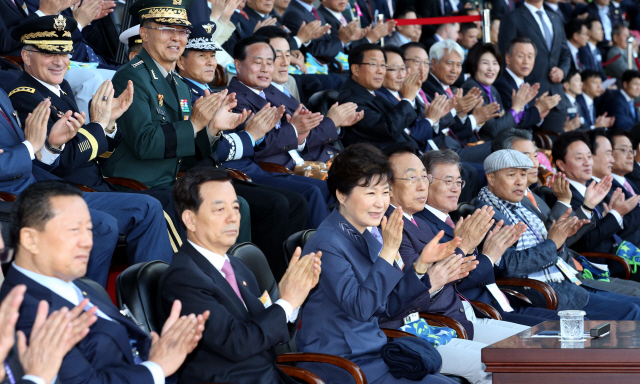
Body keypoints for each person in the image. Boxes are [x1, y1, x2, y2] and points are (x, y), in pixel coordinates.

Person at [0, 180, 209, 384]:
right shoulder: (26, 312)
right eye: (74, 230)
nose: (87, 241)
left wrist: (164, 347)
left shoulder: (80, 285)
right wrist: (158, 367)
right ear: (30, 240)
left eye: (89, 230)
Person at [296, 143, 455, 384]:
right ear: (341, 194)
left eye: (384, 192)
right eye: (370, 193)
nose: (381, 203)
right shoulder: (327, 243)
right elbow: (362, 307)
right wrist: (389, 250)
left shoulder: (364, 234)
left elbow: (388, 306)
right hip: (342, 364)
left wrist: (421, 265)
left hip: (373, 354)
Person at [157, 167, 321, 384]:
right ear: (190, 219)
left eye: (236, 207)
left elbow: (264, 332)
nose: (233, 217)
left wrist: (291, 299)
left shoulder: (237, 265)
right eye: (220, 210)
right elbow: (237, 343)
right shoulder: (183, 278)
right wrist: (287, 302)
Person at [384, 145, 531, 384]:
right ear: (388, 186)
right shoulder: (394, 226)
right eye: (413, 178)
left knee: (536, 346)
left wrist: (467, 249)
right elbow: (415, 292)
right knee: (505, 364)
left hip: (459, 316)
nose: (422, 185)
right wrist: (465, 248)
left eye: (424, 177)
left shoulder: (414, 220)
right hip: (432, 323)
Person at [175, 23, 309, 279]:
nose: (210, 62)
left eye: (212, 56)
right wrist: (251, 135)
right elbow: (210, 148)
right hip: (201, 174)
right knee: (277, 203)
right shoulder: (185, 94)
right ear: (181, 62)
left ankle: (286, 276)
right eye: (202, 56)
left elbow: (221, 144)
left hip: (221, 171)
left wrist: (249, 135)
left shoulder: (213, 93)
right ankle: (262, 280)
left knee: (296, 202)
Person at [472, 149, 640, 320]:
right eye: (511, 175)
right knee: (632, 311)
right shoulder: (487, 214)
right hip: (540, 293)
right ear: (491, 178)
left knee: (635, 306)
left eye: (523, 175)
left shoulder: (522, 205)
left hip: (563, 281)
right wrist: (553, 242)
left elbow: (548, 246)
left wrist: (559, 240)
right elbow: (511, 266)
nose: (519, 182)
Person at [105, 0, 248, 189]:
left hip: (172, 182)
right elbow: (144, 143)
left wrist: (212, 129)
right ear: (144, 33)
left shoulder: (180, 84)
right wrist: (194, 124)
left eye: (182, 31)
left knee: (244, 206)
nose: (176, 38)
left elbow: (189, 152)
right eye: (166, 29)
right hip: (138, 186)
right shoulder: (131, 76)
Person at [416, 149, 561, 325]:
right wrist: (488, 256)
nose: (456, 189)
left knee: (577, 324)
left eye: (459, 182)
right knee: (561, 331)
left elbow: (491, 271)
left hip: (503, 301)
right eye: (448, 181)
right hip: (480, 312)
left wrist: (494, 254)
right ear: (425, 183)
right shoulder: (422, 227)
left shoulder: (456, 219)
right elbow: (451, 284)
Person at [223, 35, 338, 228]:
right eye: (258, 62)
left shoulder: (270, 92)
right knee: (317, 189)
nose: (265, 69)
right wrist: (294, 130)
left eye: (270, 62)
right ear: (238, 65)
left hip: (302, 158)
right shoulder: (236, 99)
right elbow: (256, 144)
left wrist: (299, 135)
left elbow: (296, 132)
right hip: (267, 168)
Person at [251, 27, 363, 168]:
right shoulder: (260, 94)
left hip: (326, 158)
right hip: (306, 167)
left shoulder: (285, 85)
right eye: (278, 56)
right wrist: (332, 122)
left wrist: (337, 123)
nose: (286, 62)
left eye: (288, 55)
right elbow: (292, 140)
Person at [553, 131, 640, 257]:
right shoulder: (563, 196)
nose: (588, 163)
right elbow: (583, 243)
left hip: (621, 255)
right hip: (604, 265)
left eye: (589, 157)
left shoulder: (593, 188)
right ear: (561, 164)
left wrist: (610, 215)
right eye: (579, 158)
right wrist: (615, 214)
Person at [498, 0, 571, 134]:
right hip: (527, 99)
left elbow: (565, 52)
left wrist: (562, 71)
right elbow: (506, 56)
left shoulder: (555, 17)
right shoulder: (512, 18)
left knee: (551, 149)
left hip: (555, 99)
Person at [423, 40, 498, 164]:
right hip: (442, 153)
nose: (454, 70)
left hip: (457, 146)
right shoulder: (428, 88)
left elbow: (455, 127)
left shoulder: (448, 89)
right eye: (449, 63)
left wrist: (464, 115)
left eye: (458, 65)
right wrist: (464, 114)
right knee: (501, 146)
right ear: (433, 63)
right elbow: (437, 127)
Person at [461, 43, 538, 140]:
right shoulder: (472, 89)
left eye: (495, 63)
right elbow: (494, 130)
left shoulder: (492, 89)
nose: (491, 68)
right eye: (485, 63)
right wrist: (516, 107)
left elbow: (503, 122)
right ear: (473, 64)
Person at [493, 37, 560, 131]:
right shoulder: (502, 84)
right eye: (521, 56)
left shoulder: (523, 83)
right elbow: (512, 122)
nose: (526, 62)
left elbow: (523, 119)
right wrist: (537, 109)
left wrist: (539, 116)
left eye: (530, 57)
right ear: (508, 58)